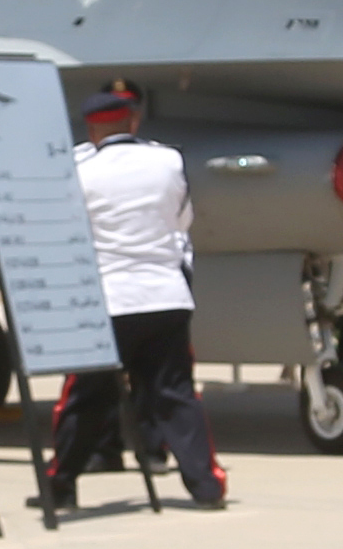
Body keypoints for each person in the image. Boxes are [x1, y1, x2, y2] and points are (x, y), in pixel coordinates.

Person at [43, 87, 228, 510]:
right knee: (176, 395)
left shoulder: (77, 168)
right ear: (133, 122)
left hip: (109, 300)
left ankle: (61, 485)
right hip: (166, 295)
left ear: (92, 129)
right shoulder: (168, 160)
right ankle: (206, 485)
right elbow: (182, 221)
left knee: (83, 398)